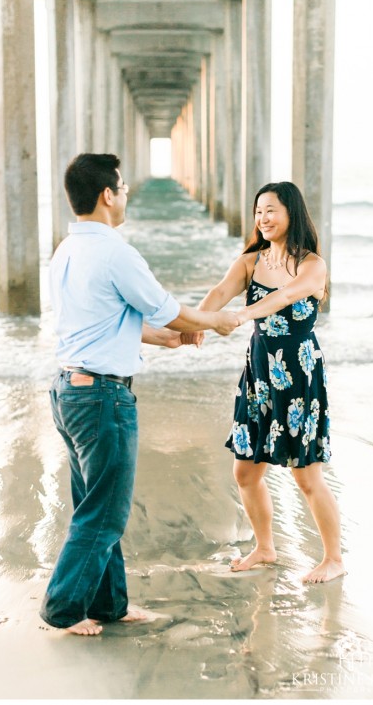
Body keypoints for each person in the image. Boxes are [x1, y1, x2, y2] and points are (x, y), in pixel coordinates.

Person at [40, 153, 239, 636]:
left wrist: (163, 337)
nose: (126, 193)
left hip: (70, 390)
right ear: (107, 195)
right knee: (105, 514)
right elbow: (168, 309)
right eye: (123, 186)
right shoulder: (114, 252)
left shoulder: (66, 250)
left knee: (96, 504)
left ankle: (109, 605)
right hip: (102, 399)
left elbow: (102, 319)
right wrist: (214, 321)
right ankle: (62, 610)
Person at [184, 182, 345, 584]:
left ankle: (334, 558)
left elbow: (282, 298)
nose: (263, 219)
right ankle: (265, 547)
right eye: (258, 212)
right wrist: (190, 325)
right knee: (245, 471)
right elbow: (219, 292)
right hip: (258, 376)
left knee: (306, 475)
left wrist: (240, 316)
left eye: (271, 210)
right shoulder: (250, 261)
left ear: (291, 212)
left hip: (298, 377)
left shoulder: (312, 265)